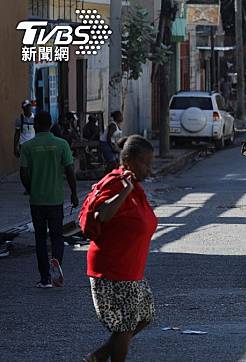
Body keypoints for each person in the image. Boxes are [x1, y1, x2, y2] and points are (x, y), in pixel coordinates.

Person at [85, 135, 157, 362]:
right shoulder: (118, 182)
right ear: (128, 160)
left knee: (144, 316)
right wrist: (123, 191)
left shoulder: (134, 186)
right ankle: (105, 356)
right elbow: (101, 215)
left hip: (130, 269)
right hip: (113, 269)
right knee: (126, 325)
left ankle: (99, 355)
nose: (150, 169)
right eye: (145, 163)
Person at [19, 111, 79, 288]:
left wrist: (31, 189)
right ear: (50, 123)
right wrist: (74, 194)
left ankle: (44, 278)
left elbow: (23, 173)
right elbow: (69, 171)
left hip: (37, 200)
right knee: (57, 236)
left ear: (36, 124)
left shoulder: (28, 146)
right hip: (56, 199)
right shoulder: (61, 144)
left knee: (40, 238)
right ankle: (56, 264)